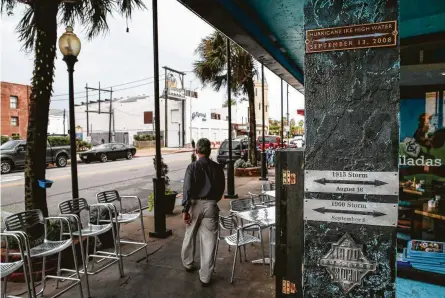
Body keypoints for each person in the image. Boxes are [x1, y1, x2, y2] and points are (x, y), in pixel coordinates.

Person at [181, 138, 225, 286]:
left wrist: (185, 210)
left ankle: (188, 263)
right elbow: (220, 189)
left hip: (194, 204)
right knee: (209, 241)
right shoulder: (217, 168)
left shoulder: (192, 167)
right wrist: (212, 202)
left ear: (196, 151)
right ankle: (205, 277)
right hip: (211, 205)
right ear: (209, 151)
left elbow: (186, 189)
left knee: (190, 233)